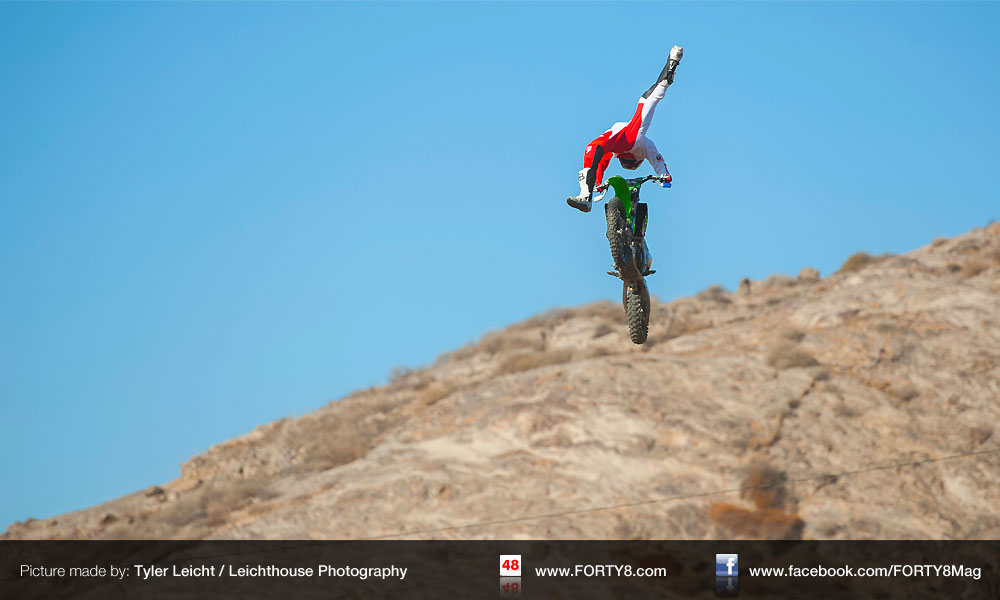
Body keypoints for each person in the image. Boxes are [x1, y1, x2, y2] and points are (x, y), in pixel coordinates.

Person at [567, 46, 683, 212]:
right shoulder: (644, 146)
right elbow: (657, 159)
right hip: (629, 136)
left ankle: (586, 196)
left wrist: (598, 184)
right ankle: (671, 66)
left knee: (593, 148)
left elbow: (602, 161)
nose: (626, 160)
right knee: (648, 99)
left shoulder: (628, 148)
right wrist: (665, 176)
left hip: (625, 136)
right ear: (638, 160)